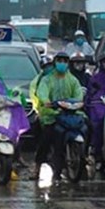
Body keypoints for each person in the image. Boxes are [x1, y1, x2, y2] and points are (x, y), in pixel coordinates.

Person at [30, 52, 85, 181]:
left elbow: (78, 94)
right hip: (52, 115)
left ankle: (87, 154)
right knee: (46, 138)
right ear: (55, 63)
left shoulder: (72, 80)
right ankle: (37, 167)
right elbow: (42, 92)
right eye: (59, 61)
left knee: (88, 126)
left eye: (65, 61)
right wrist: (46, 102)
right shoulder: (47, 79)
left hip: (71, 113)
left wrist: (77, 102)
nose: (62, 64)